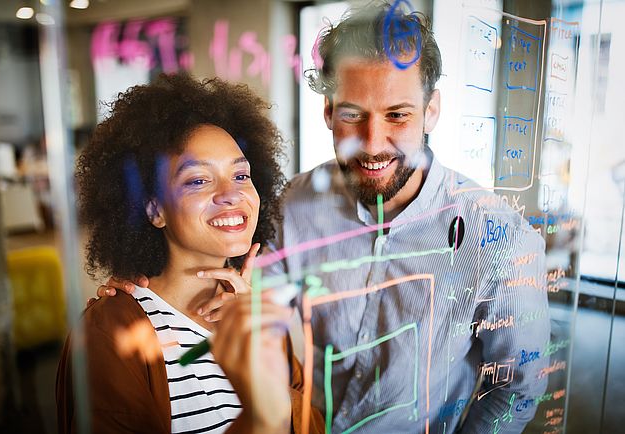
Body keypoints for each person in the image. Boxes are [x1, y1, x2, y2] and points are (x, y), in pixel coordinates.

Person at [101, 3, 551, 433]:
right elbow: (233, 274)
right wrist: (138, 287)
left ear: (431, 110)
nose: (373, 143)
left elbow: (517, 389)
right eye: (353, 115)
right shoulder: (293, 203)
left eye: (398, 115)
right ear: (329, 112)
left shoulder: (501, 239)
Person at [56, 73, 324, 434]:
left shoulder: (258, 318)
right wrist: (262, 413)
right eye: (198, 180)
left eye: (241, 175)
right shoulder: (112, 333)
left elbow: (308, 421)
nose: (231, 193)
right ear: (154, 210)